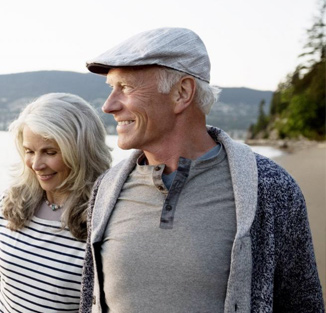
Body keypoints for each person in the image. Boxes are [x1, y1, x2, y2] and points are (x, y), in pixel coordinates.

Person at [79, 28, 324, 313]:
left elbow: (304, 305)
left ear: (182, 93)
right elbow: (90, 298)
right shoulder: (106, 189)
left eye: (126, 87)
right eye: (111, 88)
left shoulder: (272, 188)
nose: (108, 106)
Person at [0, 93, 112, 313]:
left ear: (80, 151)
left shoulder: (104, 218)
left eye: (50, 152)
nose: (36, 164)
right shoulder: (11, 202)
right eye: (29, 151)